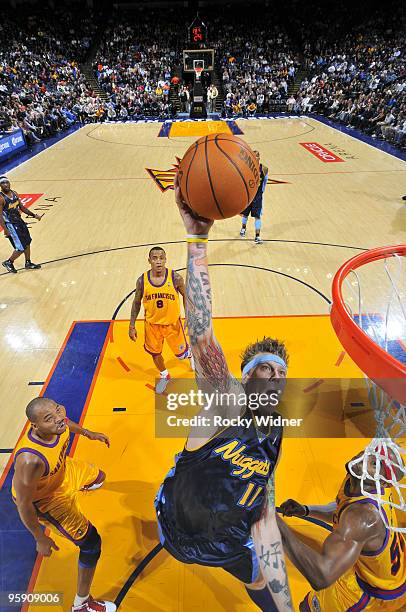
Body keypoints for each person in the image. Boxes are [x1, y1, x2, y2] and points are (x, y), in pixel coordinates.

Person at [154, 173, 293, 611]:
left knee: (257, 577)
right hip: (177, 525)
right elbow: (199, 334)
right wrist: (196, 238)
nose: (272, 376)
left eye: (280, 373)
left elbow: (265, 519)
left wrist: (287, 604)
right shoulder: (228, 397)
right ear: (246, 376)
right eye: (263, 368)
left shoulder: (274, 431)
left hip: (228, 542)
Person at [12, 397, 116, 612]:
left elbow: (67, 423)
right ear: (36, 426)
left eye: (58, 409)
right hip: (46, 500)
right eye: (49, 418)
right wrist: (39, 537)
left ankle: (77, 488)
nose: (59, 418)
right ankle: (81, 604)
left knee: (100, 477)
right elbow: (23, 504)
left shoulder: (58, 423)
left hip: (63, 472)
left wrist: (89, 433)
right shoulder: (31, 461)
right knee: (91, 544)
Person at [277, 448, 406, 611]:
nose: (364, 459)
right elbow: (341, 509)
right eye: (369, 451)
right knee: (306, 606)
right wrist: (306, 510)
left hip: (376, 592)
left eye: (374, 463)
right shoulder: (358, 479)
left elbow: (321, 576)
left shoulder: (363, 517)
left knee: (306, 608)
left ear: (384, 482)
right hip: (388, 568)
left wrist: (276, 526)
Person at [129, 246, 193, 394]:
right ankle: (165, 375)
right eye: (155, 258)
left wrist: (189, 317)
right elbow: (136, 302)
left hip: (173, 325)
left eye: (161, 258)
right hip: (151, 326)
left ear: (165, 260)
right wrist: (132, 325)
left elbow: (186, 297)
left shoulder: (175, 278)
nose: (158, 261)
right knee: (155, 353)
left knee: (181, 356)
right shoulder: (142, 281)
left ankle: (189, 354)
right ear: (149, 260)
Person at [0, 176, 43, 273]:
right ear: (0, 186)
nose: (6, 184)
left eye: (7, 182)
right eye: (3, 183)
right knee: (21, 247)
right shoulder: (1, 198)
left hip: (19, 221)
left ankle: (28, 263)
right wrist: (6, 230)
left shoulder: (15, 193)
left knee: (28, 241)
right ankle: (9, 262)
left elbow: (22, 208)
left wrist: (34, 215)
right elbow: (0, 217)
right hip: (11, 224)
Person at [239, 152, 268, 244]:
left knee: (257, 216)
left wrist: (262, 191)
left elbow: (265, 181)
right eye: (254, 157)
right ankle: (243, 229)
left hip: (257, 196)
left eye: (257, 157)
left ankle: (257, 236)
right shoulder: (247, 168)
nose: (256, 159)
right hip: (249, 195)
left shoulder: (264, 169)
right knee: (245, 214)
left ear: (259, 157)